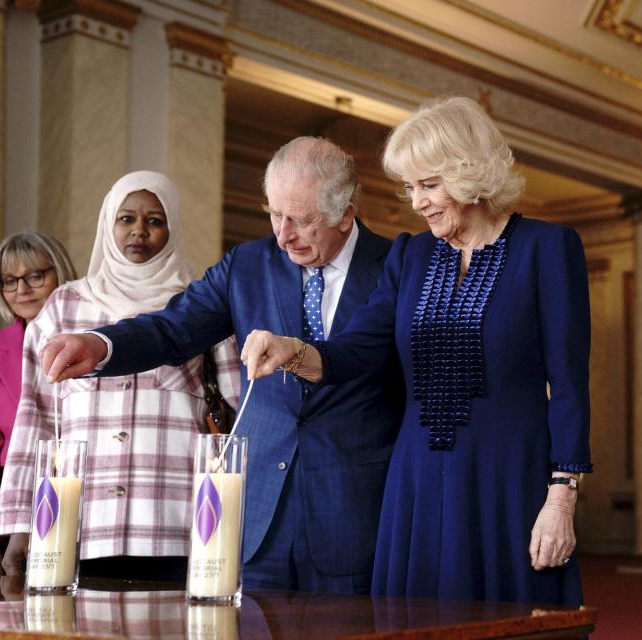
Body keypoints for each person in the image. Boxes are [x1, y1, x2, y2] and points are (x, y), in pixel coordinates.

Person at [239, 96, 593, 605]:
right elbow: (357, 351)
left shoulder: (548, 248)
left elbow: (569, 385)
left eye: (430, 184)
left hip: (508, 480)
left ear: (472, 174)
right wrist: (292, 349)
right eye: (411, 187)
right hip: (416, 482)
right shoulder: (411, 253)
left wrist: (562, 495)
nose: (418, 201)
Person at [35, 139, 402, 593]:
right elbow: (173, 328)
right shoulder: (247, 265)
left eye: (302, 221)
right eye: (275, 214)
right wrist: (100, 344)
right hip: (257, 517)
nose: (283, 235)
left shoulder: (397, 266)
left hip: (355, 511)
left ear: (346, 214)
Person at [0, 171, 240, 582]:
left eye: (155, 221)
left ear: (173, 228)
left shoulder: (201, 306)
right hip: (77, 531)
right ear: (108, 224)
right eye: (126, 219)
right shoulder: (63, 308)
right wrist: (20, 521)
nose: (139, 232)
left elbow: (237, 415)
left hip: (180, 528)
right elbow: (35, 419)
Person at [0, 232, 76, 577]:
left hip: (82, 497)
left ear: (60, 274)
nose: (22, 289)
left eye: (36, 275)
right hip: (14, 506)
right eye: (10, 281)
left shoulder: (96, 339)